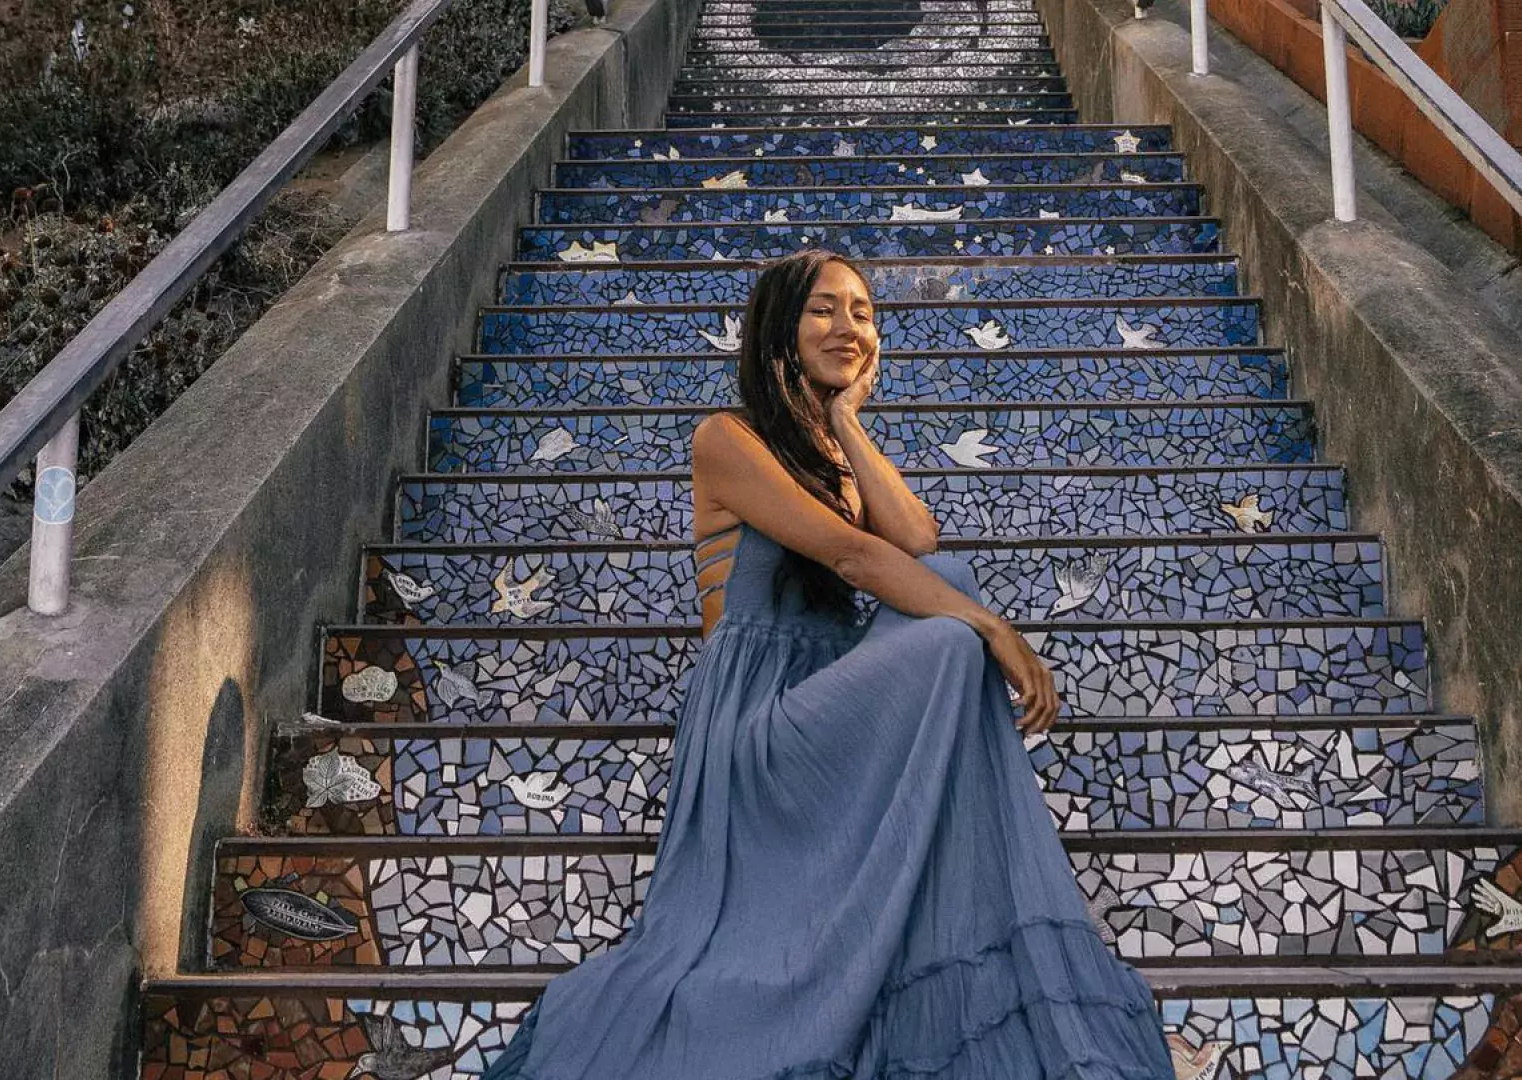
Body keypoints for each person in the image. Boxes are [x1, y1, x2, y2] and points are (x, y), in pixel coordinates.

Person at [480, 250, 1179, 1080]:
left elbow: (917, 540)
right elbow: (854, 556)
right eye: (825, 309)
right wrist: (996, 629)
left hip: (824, 688)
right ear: (779, 327)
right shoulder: (726, 440)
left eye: (863, 311)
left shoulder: (829, 451)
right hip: (759, 718)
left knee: (944, 585)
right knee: (955, 632)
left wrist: (848, 421)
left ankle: (926, 918)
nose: (850, 326)